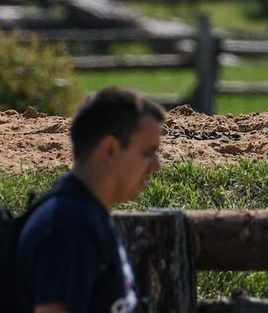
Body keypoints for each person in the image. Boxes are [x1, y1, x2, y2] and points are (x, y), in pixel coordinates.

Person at [15, 87, 165, 313]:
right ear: (111, 149)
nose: (157, 164)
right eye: (147, 151)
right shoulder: (70, 226)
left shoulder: (86, 215)